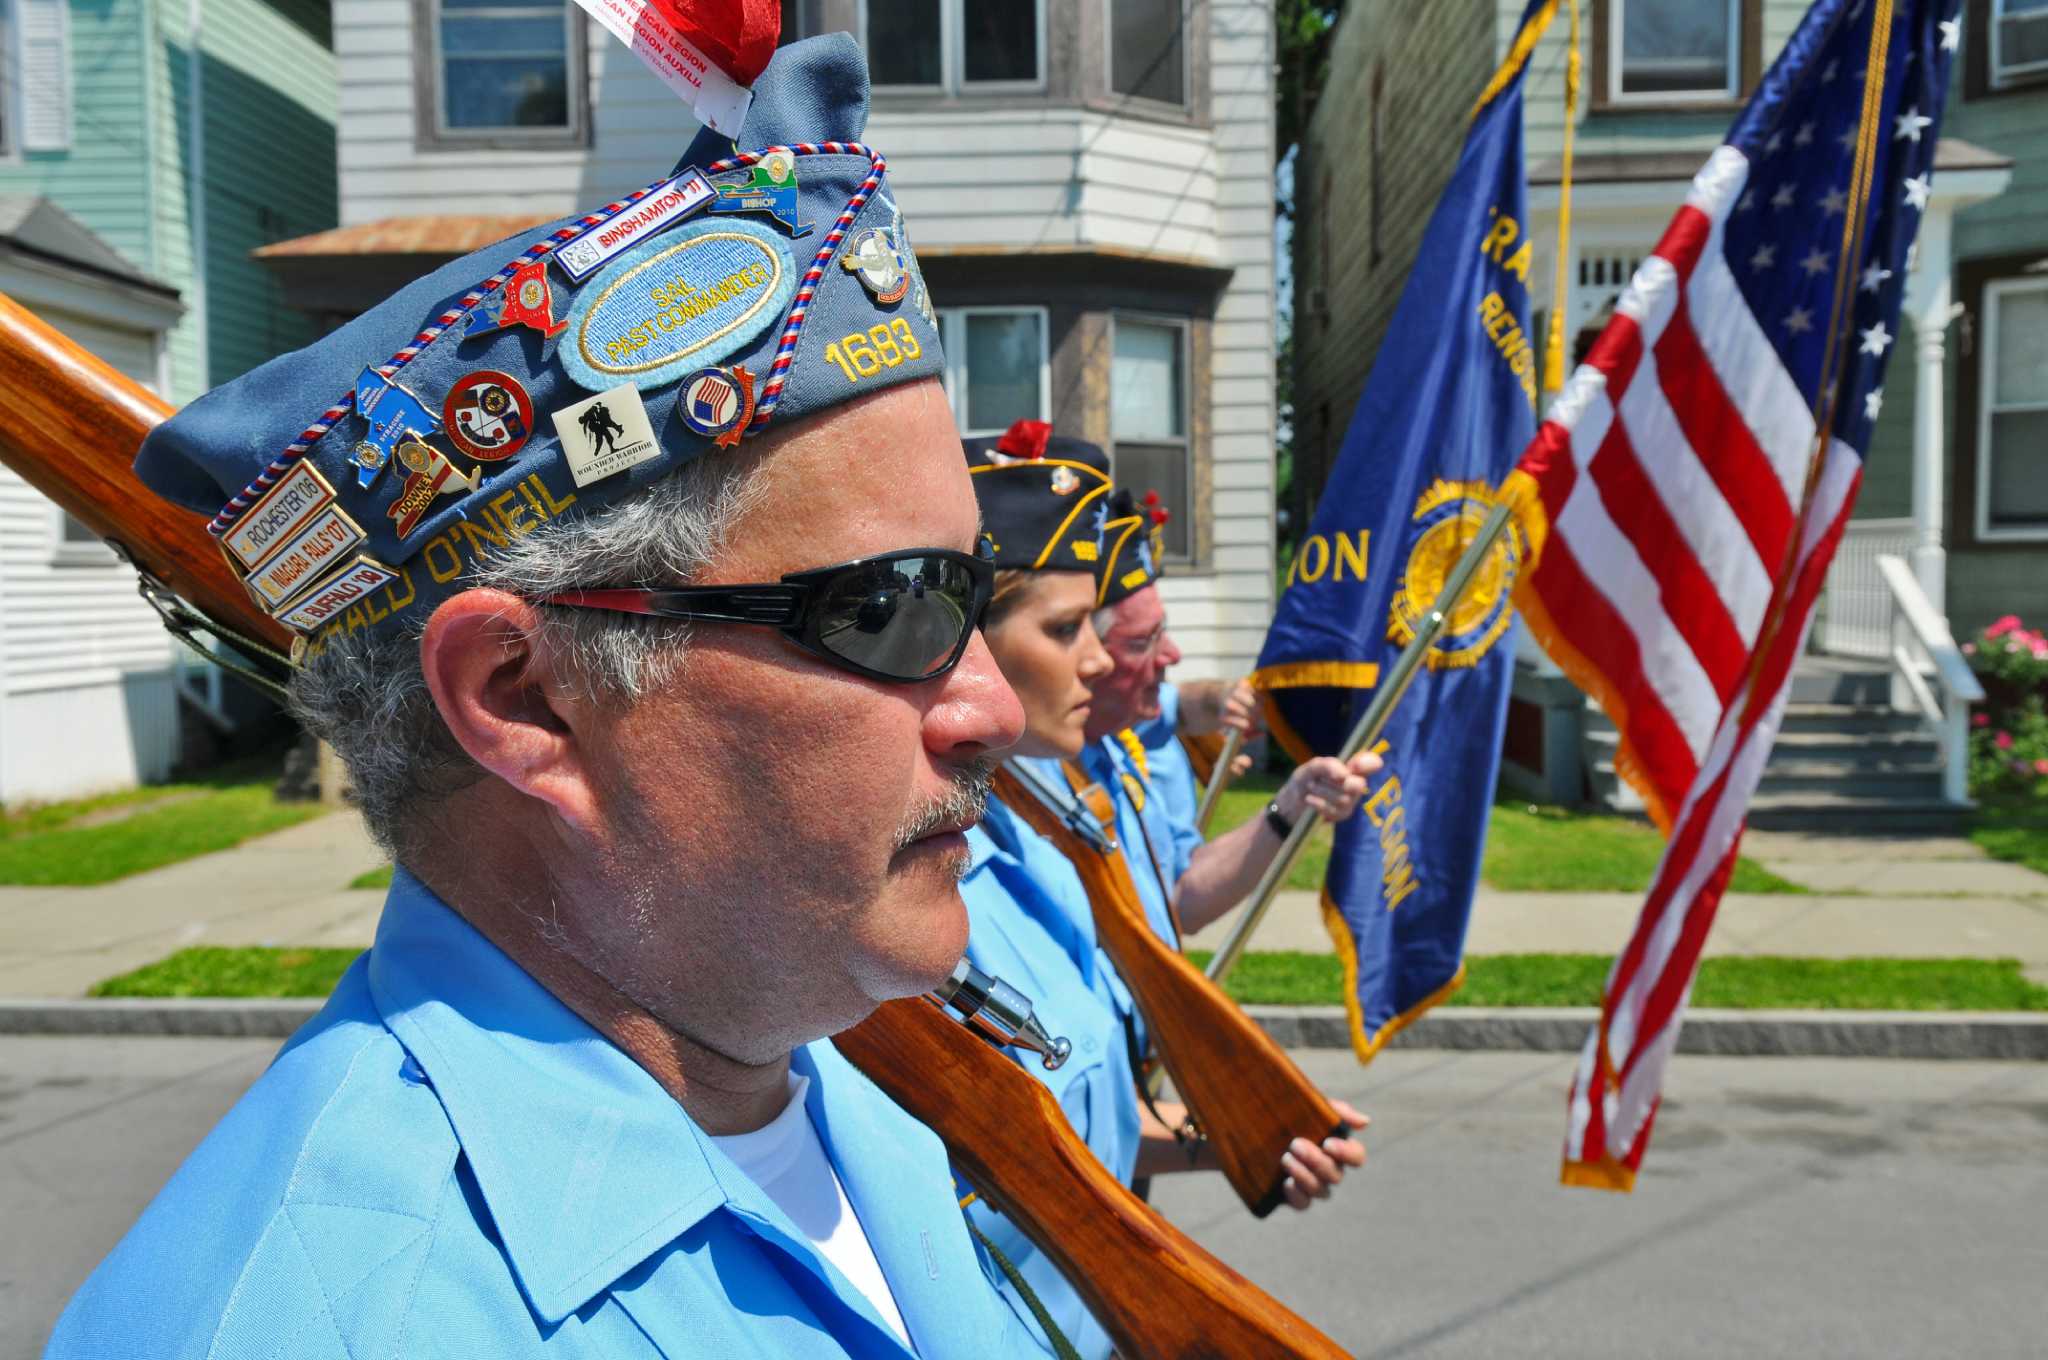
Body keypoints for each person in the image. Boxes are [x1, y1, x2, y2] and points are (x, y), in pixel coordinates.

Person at [47, 37, 1052, 1360]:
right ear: (525, 701)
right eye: (886, 610)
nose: (995, 709)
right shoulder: (312, 1321)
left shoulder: (825, 1081)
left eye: (973, 595)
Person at [957, 423, 1369, 1358]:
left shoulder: (1055, 825)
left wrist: (1245, 1136)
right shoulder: (918, 897)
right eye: (1070, 629)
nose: (1104, 659)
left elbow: (1074, 1127)